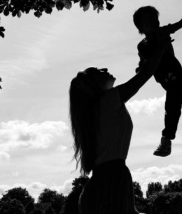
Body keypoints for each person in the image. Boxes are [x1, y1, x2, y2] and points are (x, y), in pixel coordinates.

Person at [69, 33, 170, 214]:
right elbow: (144, 76)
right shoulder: (108, 101)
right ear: (94, 83)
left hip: (105, 182)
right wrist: (162, 46)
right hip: (111, 180)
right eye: (99, 70)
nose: (105, 68)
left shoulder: (103, 107)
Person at [133, 0, 182, 157]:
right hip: (162, 78)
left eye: (156, 19)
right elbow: (143, 61)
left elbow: (181, 23)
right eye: (150, 20)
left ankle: (166, 140)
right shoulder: (141, 46)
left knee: (172, 106)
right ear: (140, 27)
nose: (155, 22)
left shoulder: (161, 32)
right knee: (180, 92)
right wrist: (140, 68)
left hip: (173, 72)